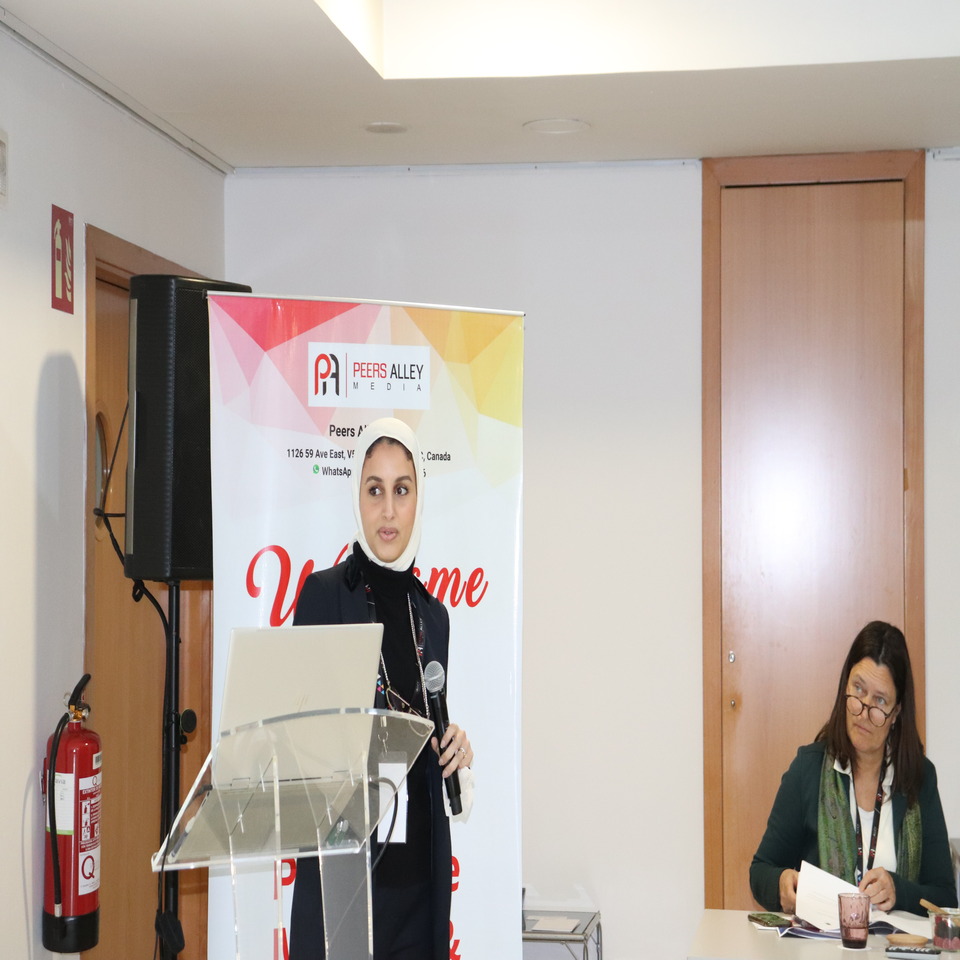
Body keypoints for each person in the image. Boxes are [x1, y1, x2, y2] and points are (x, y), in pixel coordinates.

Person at [288, 418, 474, 960]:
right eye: (375, 490)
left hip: (420, 880)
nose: (388, 510)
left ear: (419, 499)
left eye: (402, 490)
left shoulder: (433, 616)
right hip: (348, 880)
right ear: (357, 497)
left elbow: (426, 721)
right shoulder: (324, 596)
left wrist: (453, 747)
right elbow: (302, 743)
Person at [750, 621, 957, 917]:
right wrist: (781, 883)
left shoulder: (919, 778)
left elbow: (946, 899)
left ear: (897, 712)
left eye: (880, 701)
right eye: (858, 690)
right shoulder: (808, 769)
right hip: (822, 941)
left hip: (892, 943)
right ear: (845, 686)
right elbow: (760, 871)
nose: (863, 711)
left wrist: (899, 891)